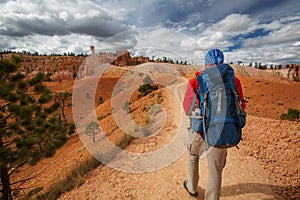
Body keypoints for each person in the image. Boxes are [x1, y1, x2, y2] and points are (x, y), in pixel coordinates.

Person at [183, 49, 246, 199]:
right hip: (220, 131)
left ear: (206, 64)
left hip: (198, 131)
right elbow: (241, 107)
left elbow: (187, 108)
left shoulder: (196, 80)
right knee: (216, 170)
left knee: (193, 155)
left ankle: (192, 188)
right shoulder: (234, 81)